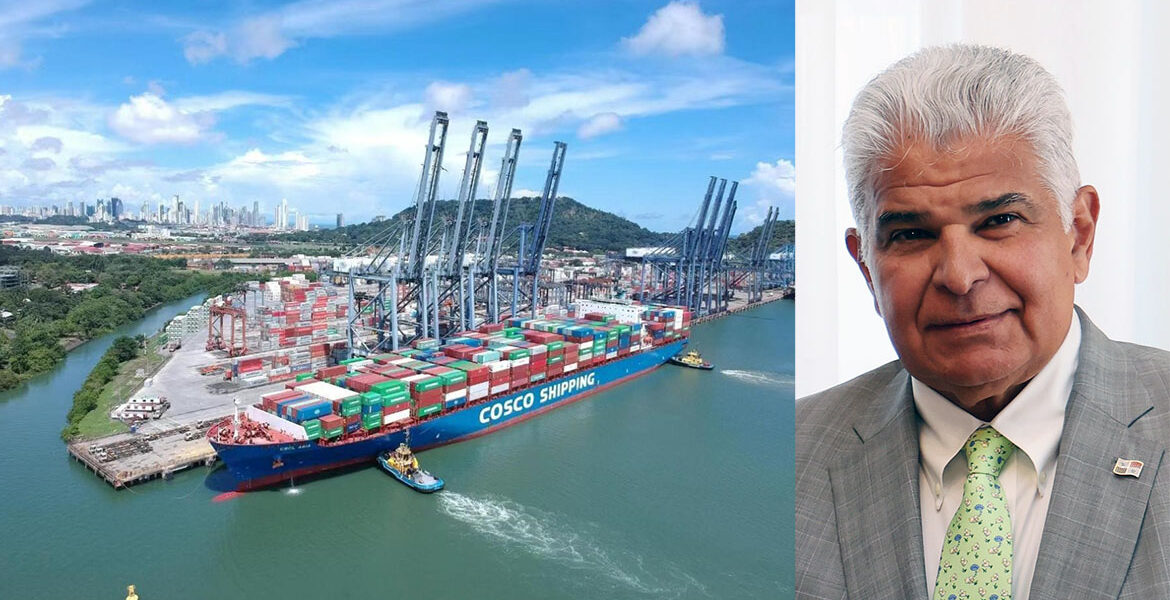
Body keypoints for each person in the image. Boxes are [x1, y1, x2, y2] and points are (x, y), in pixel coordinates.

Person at [795, 44, 1170, 599]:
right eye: (911, 234)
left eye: (1000, 220)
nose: (960, 275)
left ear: (1080, 234)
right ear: (866, 268)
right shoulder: (799, 454)